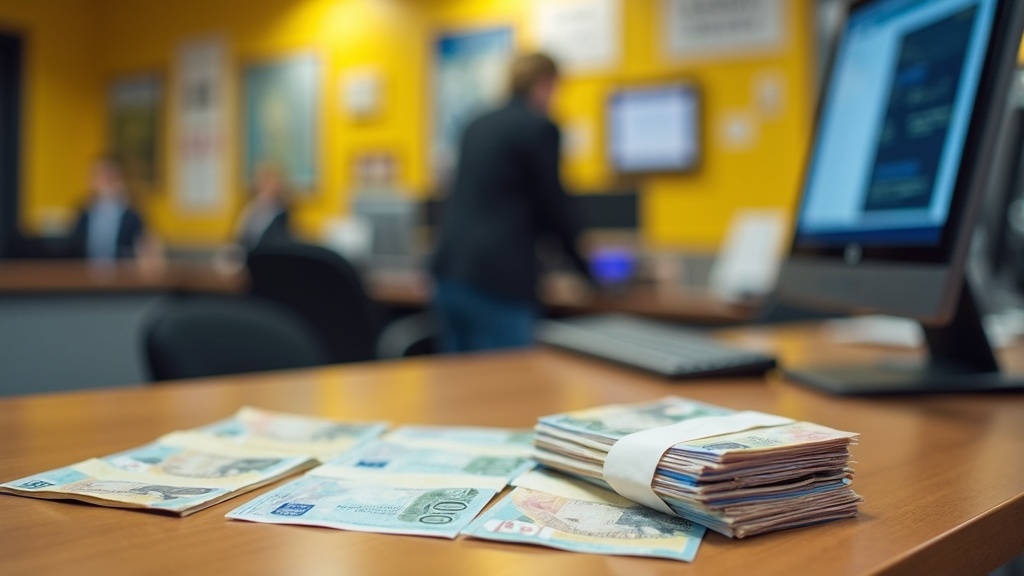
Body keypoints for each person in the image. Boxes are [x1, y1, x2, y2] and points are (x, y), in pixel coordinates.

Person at [430, 52, 594, 353]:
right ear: (545, 85)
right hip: (497, 279)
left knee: (457, 388)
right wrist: (587, 272)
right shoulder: (538, 128)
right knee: (509, 386)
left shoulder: (475, 124)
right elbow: (554, 207)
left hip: (449, 270)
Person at [68, 156, 147, 261]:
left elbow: (142, 248)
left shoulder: (132, 216)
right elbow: (73, 248)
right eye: (101, 177)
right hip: (85, 273)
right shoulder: (83, 213)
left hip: (121, 274)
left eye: (111, 178)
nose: (105, 183)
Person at [235, 162, 293, 251]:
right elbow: (239, 237)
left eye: (268, 181)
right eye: (261, 180)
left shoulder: (282, 211)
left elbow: (279, 239)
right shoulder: (250, 208)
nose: (264, 185)